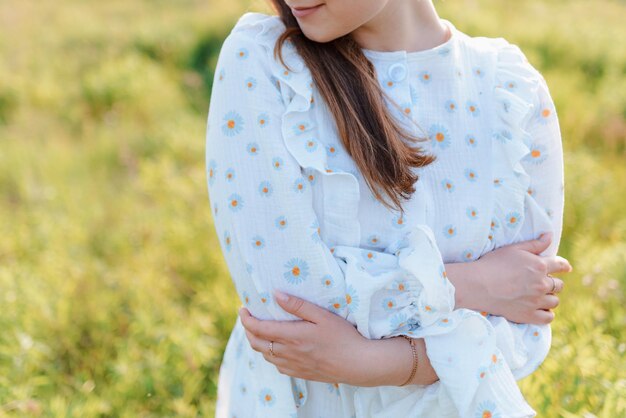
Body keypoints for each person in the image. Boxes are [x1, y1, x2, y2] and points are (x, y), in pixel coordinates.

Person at [204, 0, 572, 417]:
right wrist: (475, 286)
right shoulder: (263, 61)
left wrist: (373, 361)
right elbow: (287, 307)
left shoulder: (511, 89)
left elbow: (522, 324)